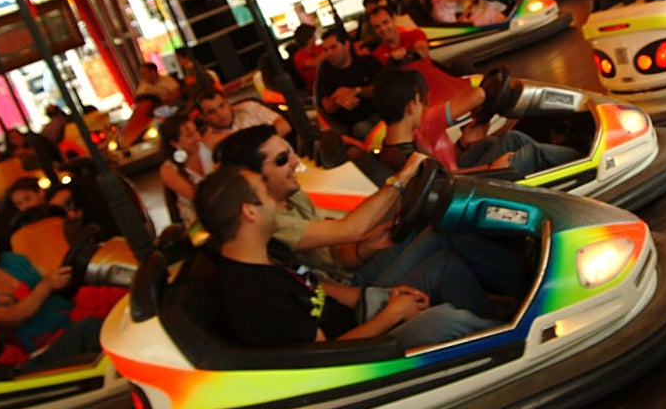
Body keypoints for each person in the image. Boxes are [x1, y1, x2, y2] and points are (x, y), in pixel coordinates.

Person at [212, 126, 517, 320]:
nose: (294, 161)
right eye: (281, 160)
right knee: (443, 246)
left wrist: (365, 248)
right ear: (253, 177)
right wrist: (401, 180)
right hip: (352, 292)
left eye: (290, 152)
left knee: (436, 225)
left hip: (350, 273)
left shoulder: (291, 195)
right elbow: (348, 230)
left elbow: (340, 248)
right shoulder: (273, 222)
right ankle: (508, 304)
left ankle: (499, 300)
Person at [193, 166, 498, 350]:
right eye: (265, 193)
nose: (274, 198)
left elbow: (317, 287)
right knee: (445, 320)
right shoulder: (257, 299)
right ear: (249, 212)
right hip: (359, 352)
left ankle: (495, 327)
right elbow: (328, 359)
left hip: (362, 315)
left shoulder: (269, 249)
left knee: (443, 267)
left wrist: (384, 296)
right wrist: (391, 315)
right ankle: (510, 343)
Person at [374, 68, 579, 179]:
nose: (423, 107)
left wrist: (463, 144)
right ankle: (585, 163)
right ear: (411, 106)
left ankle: (568, 161)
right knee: (532, 153)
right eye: (420, 101)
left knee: (511, 137)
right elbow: (448, 181)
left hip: (458, 178)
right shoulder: (406, 158)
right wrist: (492, 169)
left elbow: (444, 172)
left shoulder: (395, 146)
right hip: (467, 191)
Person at [0, 220, 102, 359]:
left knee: (107, 292)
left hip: (68, 312)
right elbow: (13, 316)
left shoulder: (11, 261)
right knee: (91, 326)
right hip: (45, 342)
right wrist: (45, 287)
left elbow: (50, 276)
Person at [368, 5, 473, 105]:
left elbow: (423, 51)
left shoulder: (415, 34)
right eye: (377, 27)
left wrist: (408, 54)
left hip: (434, 79)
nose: (383, 29)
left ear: (394, 19)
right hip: (413, 96)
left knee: (461, 65)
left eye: (385, 22)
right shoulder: (377, 55)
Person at [314, 26, 383, 138]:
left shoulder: (367, 62)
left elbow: (384, 88)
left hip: (381, 113)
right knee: (362, 128)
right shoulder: (326, 73)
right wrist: (338, 99)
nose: (329, 53)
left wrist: (355, 91)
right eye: (326, 50)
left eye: (333, 47)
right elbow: (326, 106)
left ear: (346, 45)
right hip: (354, 125)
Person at [158, 113, 214, 228]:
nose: (197, 138)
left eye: (196, 132)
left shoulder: (208, 145)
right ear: (175, 143)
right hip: (197, 221)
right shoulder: (168, 170)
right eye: (190, 136)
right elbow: (197, 197)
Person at [197, 89, 290, 150]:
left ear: (228, 102)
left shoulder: (249, 108)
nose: (220, 114)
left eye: (222, 106)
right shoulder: (211, 140)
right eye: (212, 112)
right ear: (204, 117)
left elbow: (285, 127)